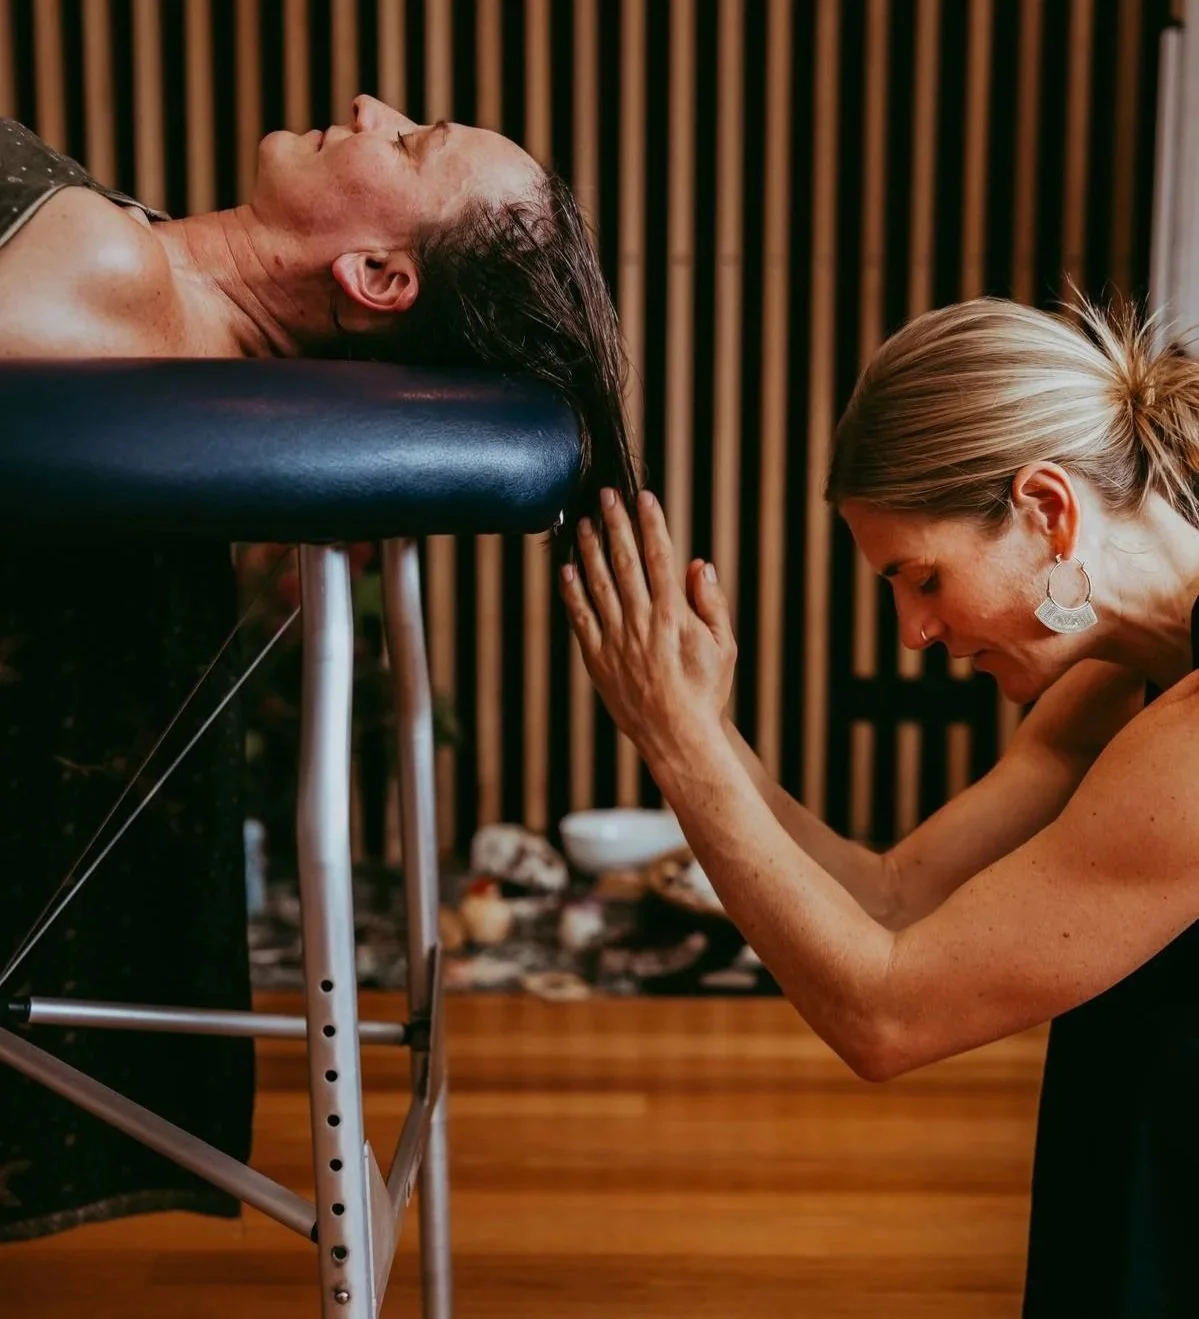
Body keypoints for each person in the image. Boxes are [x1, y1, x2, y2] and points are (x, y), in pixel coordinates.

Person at [0, 96, 637, 1241]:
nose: (368, 109)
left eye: (408, 143)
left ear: (380, 277)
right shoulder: (137, 295)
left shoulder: (106, 265)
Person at [559, 293, 1199, 1317]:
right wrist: (699, 727)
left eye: (922, 577)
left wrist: (681, 751)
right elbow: (889, 896)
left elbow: (886, 1013)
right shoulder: (1116, 678)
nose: (913, 632)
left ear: (1046, 508)